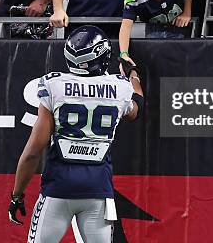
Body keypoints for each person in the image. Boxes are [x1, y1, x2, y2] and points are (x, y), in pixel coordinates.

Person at [8, 25, 142, 242]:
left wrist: (17, 195)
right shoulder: (120, 87)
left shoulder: (54, 85)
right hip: (98, 192)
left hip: (58, 189)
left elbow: (33, 151)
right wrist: (133, 76)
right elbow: (136, 109)